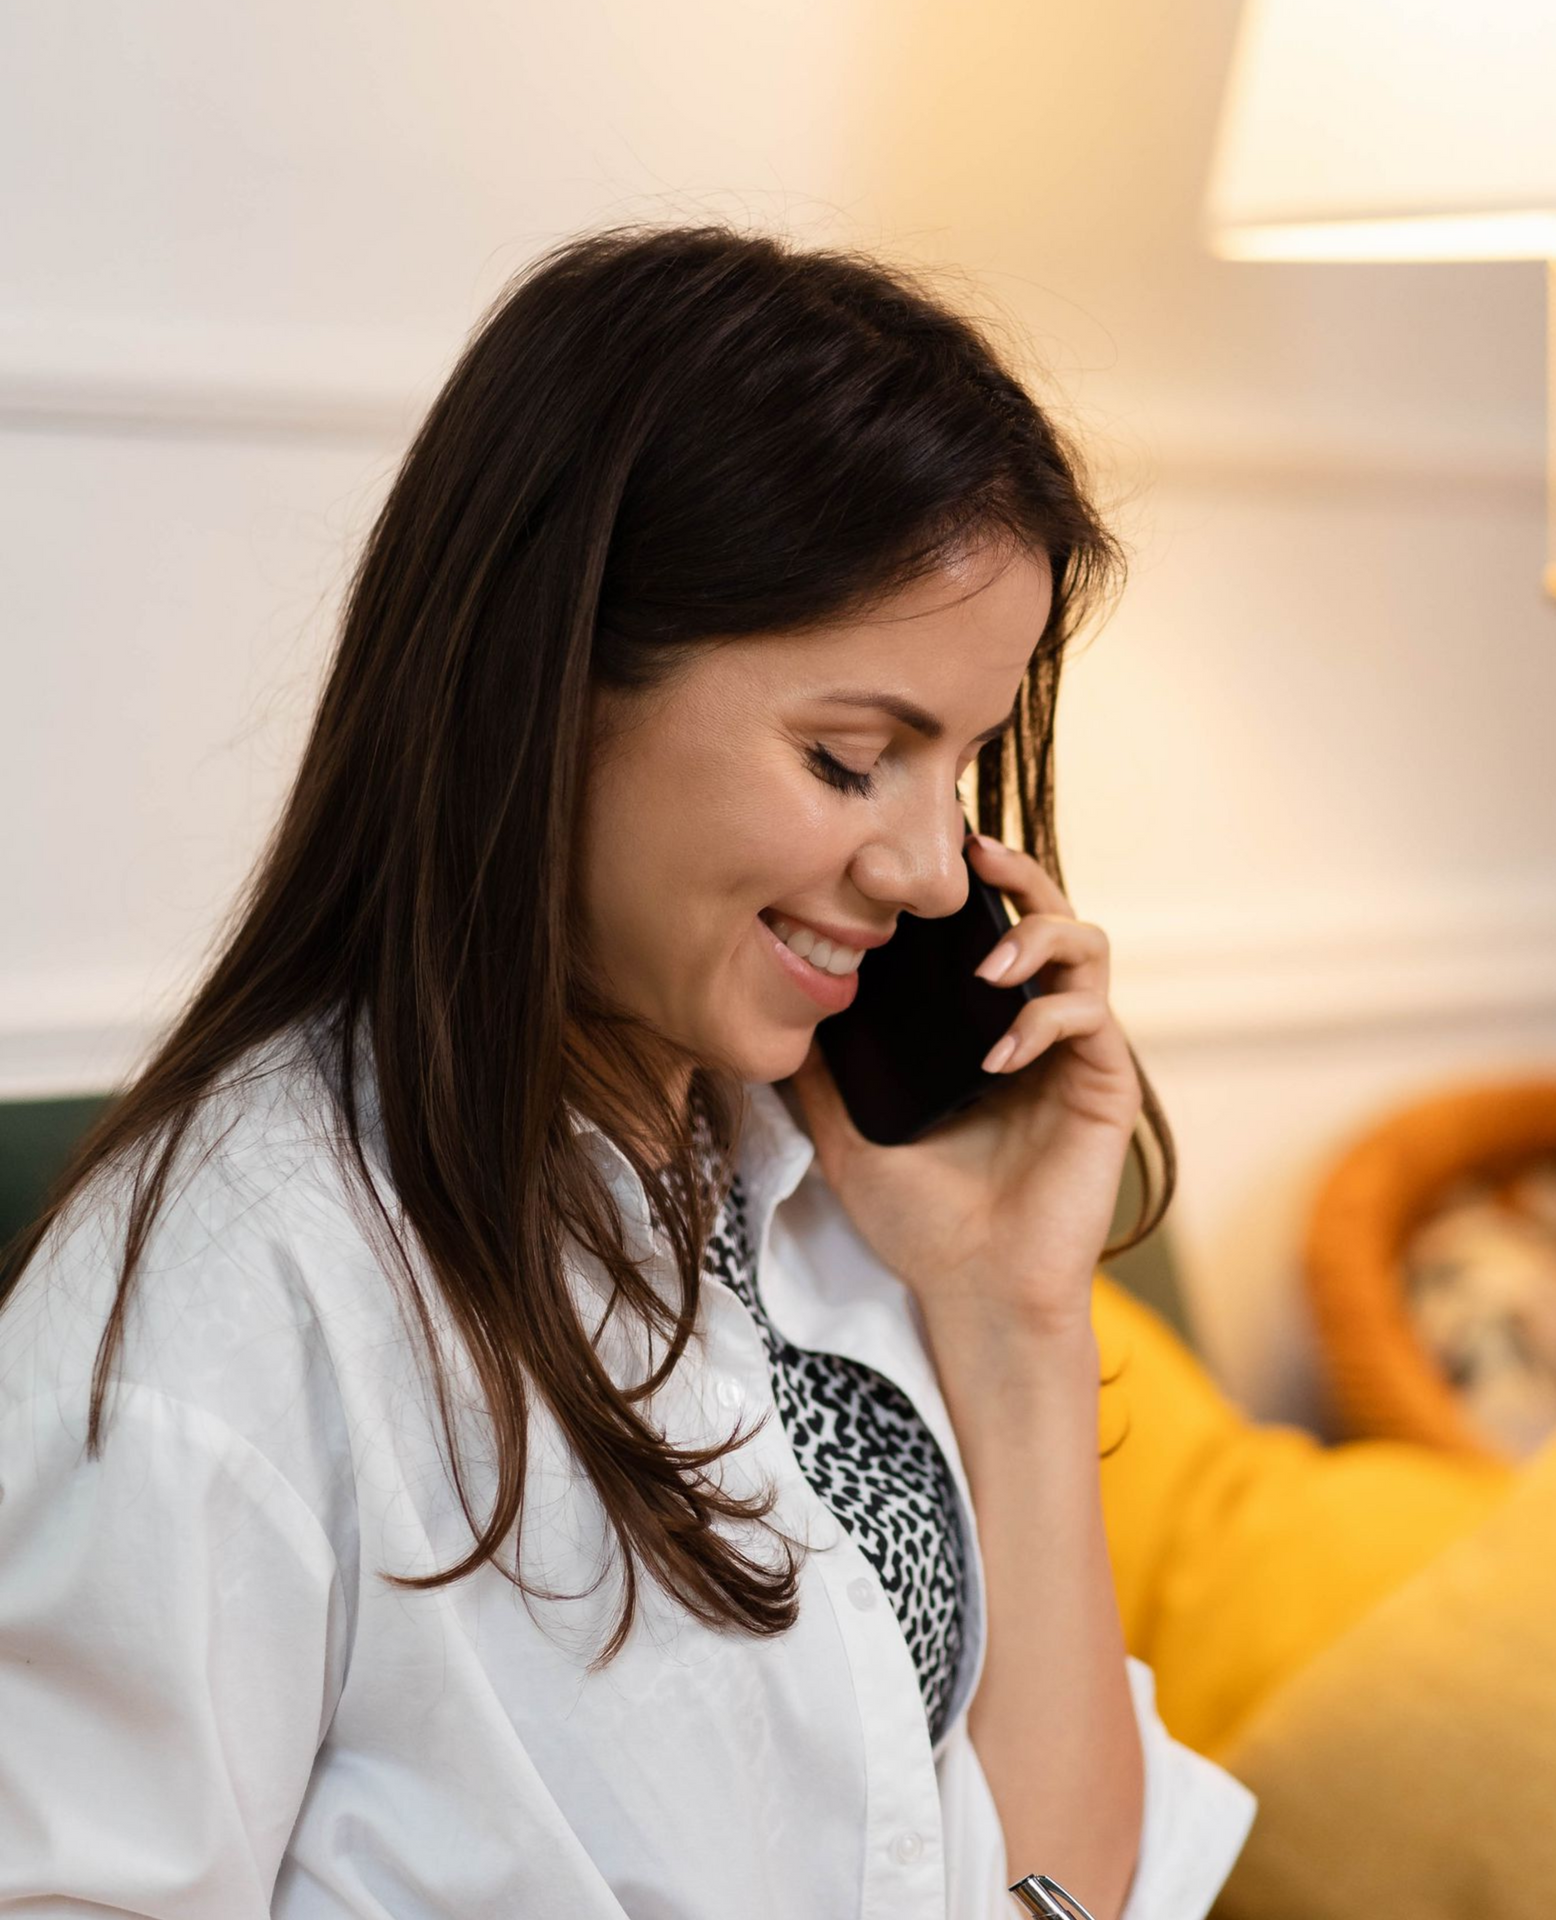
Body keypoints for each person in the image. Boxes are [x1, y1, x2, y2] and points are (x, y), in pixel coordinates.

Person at [0, 224, 1256, 1918]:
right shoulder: (237, 1294)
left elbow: (1064, 1892)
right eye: (851, 757)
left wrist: (1011, 1318)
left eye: (956, 766)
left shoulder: (827, 1185)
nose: (940, 875)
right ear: (556, 681)